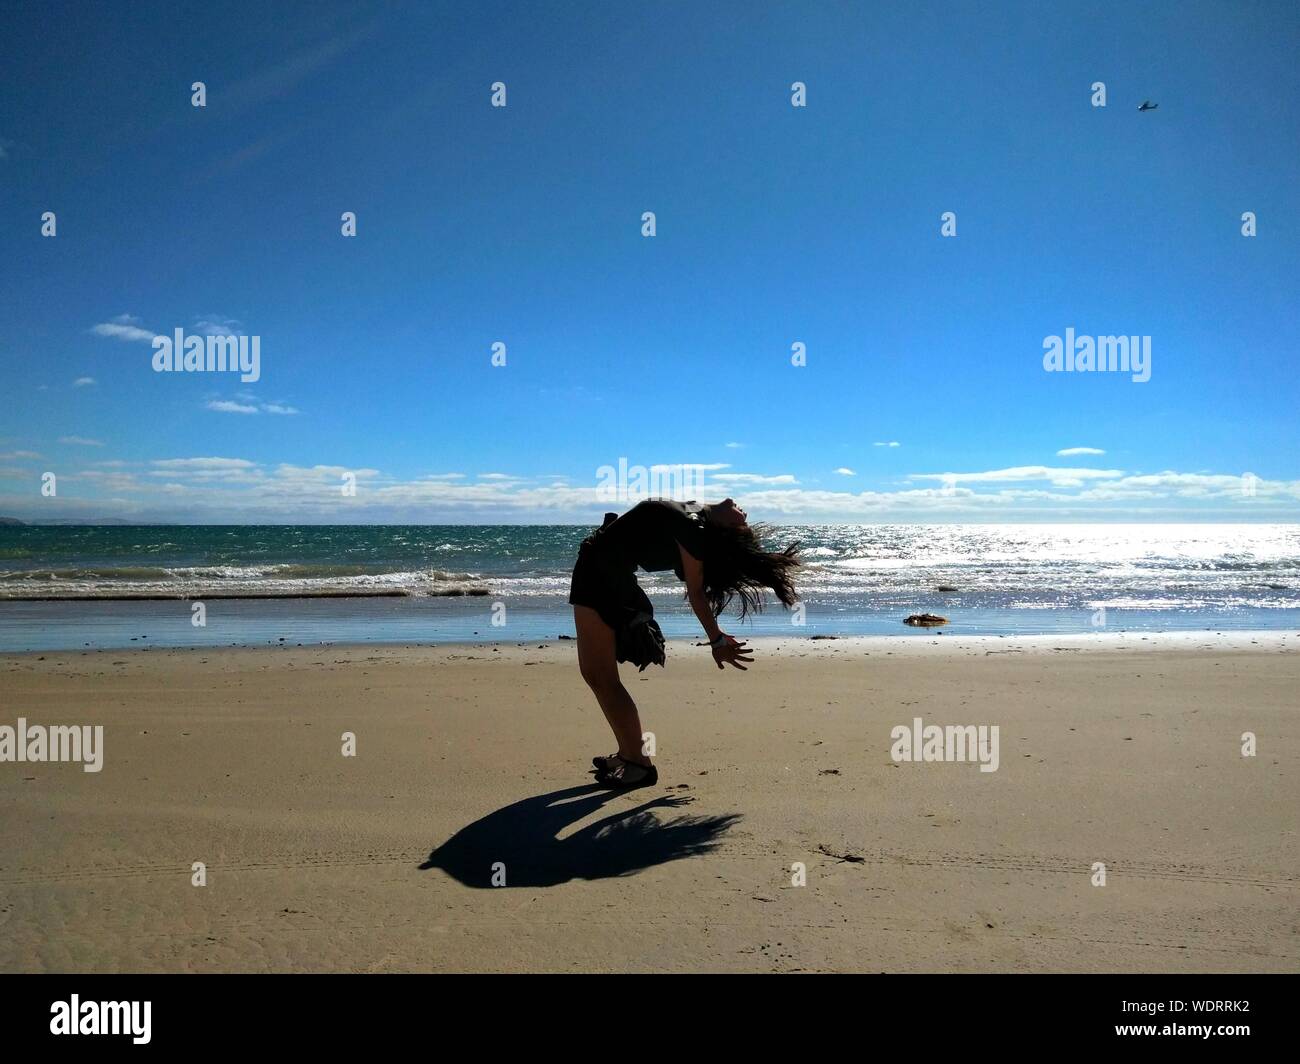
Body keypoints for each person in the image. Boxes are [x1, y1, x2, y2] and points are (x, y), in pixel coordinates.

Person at [568, 497, 801, 788]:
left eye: (743, 520)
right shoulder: (695, 512)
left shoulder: (693, 531)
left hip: (600, 579)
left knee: (600, 677)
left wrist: (716, 640)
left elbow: (696, 593)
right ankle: (630, 754)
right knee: (598, 676)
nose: (743, 510)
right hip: (601, 573)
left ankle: (638, 763)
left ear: (729, 526)